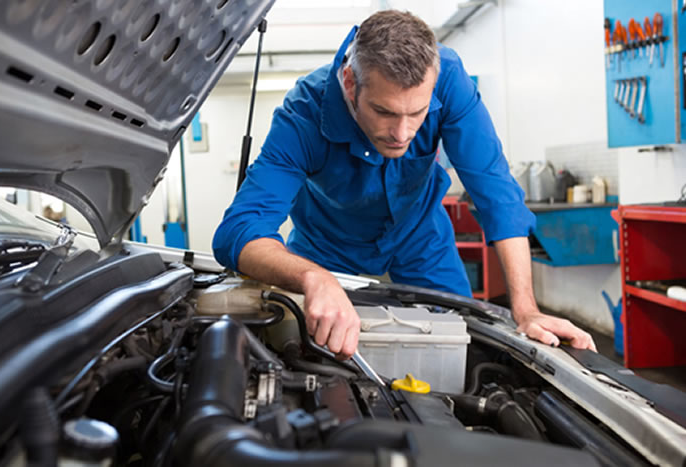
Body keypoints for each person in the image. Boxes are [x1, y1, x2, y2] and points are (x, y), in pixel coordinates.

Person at [213, 10, 596, 358]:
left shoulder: (449, 77)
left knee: (460, 344)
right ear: (350, 83)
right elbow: (239, 230)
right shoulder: (304, 115)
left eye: (418, 112)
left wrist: (526, 310)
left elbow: (496, 192)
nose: (402, 133)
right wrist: (312, 277)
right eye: (383, 111)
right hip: (326, 248)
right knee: (312, 350)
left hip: (420, 238)